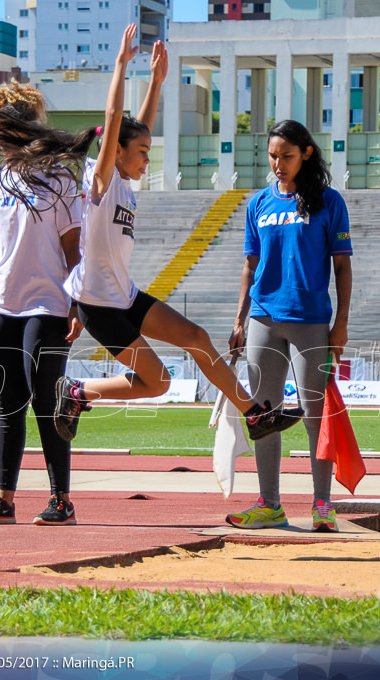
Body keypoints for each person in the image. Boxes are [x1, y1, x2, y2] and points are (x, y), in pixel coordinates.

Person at [49, 25, 304, 444]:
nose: (148, 160)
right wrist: (120, 65)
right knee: (159, 381)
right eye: (144, 153)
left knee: (194, 340)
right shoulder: (102, 182)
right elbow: (115, 121)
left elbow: (136, 128)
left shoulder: (125, 183)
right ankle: (76, 392)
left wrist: (157, 82)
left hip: (123, 296)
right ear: (115, 152)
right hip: (98, 305)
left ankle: (255, 416)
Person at [0, 80, 97, 527]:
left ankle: (61, 499)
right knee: (7, 403)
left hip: (49, 304)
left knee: (46, 400)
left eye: (7, 132)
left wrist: (77, 306)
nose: (0, 140)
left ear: (26, 131)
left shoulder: (59, 179)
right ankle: (3, 499)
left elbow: (75, 249)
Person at [225, 119, 353, 533]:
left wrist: (341, 325)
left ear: (307, 154)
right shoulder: (259, 203)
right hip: (263, 317)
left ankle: (322, 505)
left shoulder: (329, 202)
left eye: (287, 156)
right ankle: (270, 504)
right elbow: (250, 264)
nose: (278, 164)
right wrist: (240, 318)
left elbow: (342, 266)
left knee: (316, 416)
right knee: (264, 415)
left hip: (311, 321)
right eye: (273, 156)